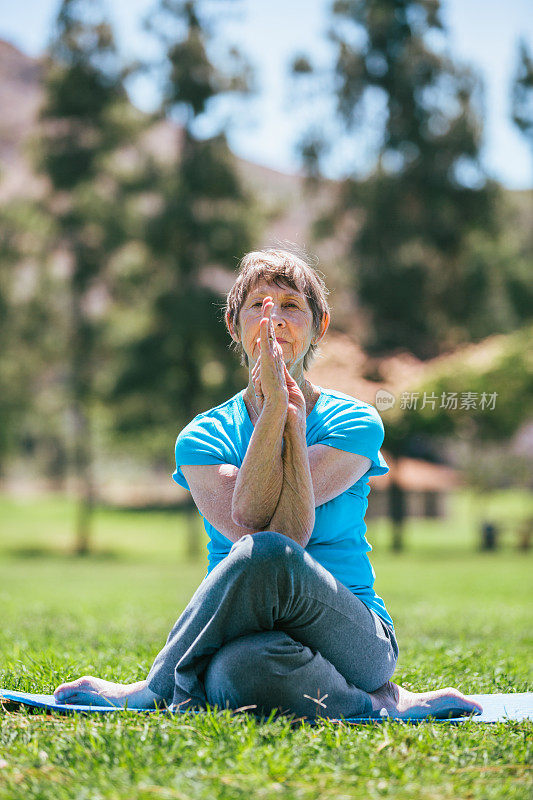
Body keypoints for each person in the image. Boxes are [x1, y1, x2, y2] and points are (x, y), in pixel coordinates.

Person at [54, 248, 482, 721]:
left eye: (290, 305)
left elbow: (284, 542)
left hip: (353, 639)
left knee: (272, 555)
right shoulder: (202, 437)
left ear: (318, 327)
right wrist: (273, 410)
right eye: (257, 305)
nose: (272, 317)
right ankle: (379, 705)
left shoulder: (355, 422)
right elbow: (248, 527)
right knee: (237, 677)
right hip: (246, 636)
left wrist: (289, 420)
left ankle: (154, 689)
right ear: (235, 328)